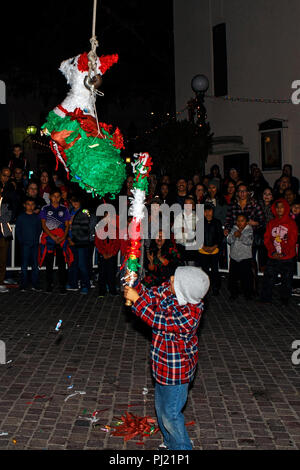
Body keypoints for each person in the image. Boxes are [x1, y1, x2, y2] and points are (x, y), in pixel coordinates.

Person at [123, 265, 210, 450]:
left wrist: (137, 301)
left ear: (182, 290)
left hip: (177, 373)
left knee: (171, 414)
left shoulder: (190, 315)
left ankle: (182, 448)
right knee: (161, 410)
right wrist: (136, 284)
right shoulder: (172, 292)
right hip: (162, 366)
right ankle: (171, 443)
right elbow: (152, 295)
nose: (170, 278)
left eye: (174, 280)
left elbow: (157, 319)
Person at [260, 198, 298, 305]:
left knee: (286, 279)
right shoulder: (271, 223)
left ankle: (284, 299)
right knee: (269, 277)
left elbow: (292, 240)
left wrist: (284, 252)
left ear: (285, 208)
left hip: (287, 257)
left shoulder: (291, 223)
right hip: (273, 256)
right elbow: (267, 239)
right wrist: (273, 252)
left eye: (282, 207)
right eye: (277, 207)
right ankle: (266, 298)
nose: (279, 209)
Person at [39, 188, 72, 294]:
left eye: (58, 196)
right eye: (54, 196)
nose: (56, 198)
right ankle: (49, 284)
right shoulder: (45, 208)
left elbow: (67, 225)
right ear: (50, 197)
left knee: (62, 263)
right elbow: (43, 225)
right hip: (50, 238)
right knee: (49, 263)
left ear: (60, 197)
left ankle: (62, 285)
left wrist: (63, 237)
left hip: (61, 239)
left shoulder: (64, 209)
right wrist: (52, 237)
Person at [67, 196, 93, 294]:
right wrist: (69, 238)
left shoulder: (84, 211)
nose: (75, 203)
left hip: (81, 242)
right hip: (71, 241)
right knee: (74, 263)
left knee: (82, 265)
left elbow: (85, 228)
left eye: (77, 201)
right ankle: (73, 283)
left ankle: (85, 285)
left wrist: (74, 239)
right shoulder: (70, 211)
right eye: (73, 201)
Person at [15, 197, 42, 291]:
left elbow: (39, 229)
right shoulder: (21, 217)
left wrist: (35, 239)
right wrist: (21, 241)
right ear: (24, 205)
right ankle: (23, 284)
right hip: (25, 245)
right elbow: (18, 230)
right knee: (24, 265)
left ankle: (35, 284)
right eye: (28, 204)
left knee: (35, 265)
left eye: (32, 204)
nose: (30, 206)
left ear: (34, 206)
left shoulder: (36, 217)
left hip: (34, 244)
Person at [196, 203, 223, 295]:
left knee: (215, 271)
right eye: (205, 211)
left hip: (214, 250)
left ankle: (216, 287)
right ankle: (204, 289)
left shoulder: (217, 222)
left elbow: (220, 236)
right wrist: (204, 247)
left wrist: (214, 247)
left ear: (213, 212)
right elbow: (197, 237)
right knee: (204, 271)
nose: (207, 213)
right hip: (203, 250)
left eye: (210, 211)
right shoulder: (199, 222)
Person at [227, 214, 254, 300]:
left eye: (242, 221)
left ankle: (248, 294)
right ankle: (233, 293)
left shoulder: (249, 230)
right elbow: (229, 240)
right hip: (234, 257)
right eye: (238, 221)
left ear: (246, 222)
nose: (240, 223)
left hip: (245, 257)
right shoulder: (233, 229)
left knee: (246, 277)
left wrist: (241, 236)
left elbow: (249, 242)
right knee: (232, 277)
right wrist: (234, 236)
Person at [95, 211, 120, 297]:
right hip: (103, 255)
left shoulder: (115, 229)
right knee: (102, 273)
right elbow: (98, 243)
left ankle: (112, 289)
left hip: (112, 255)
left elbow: (117, 243)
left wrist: (112, 253)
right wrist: (103, 253)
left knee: (111, 272)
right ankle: (102, 290)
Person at [173, 196, 199, 265]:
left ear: (193, 206)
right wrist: (179, 229)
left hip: (191, 246)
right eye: (186, 204)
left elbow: (194, 233)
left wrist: (186, 230)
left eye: (189, 204)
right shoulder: (179, 215)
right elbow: (173, 229)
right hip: (180, 245)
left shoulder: (196, 218)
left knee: (191, 265)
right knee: (182, 265)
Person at [0, 181, 13, 293]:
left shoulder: (6, 201)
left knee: (3, 260)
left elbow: (8, 216)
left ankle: (0, 282)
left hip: (3, 235)